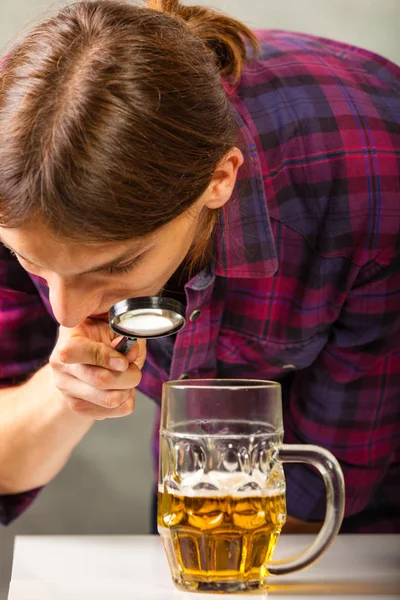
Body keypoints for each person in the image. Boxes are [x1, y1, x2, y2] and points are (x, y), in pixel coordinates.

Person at [0, 0, 399, 534]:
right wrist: (69, 388)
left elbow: (322, 490)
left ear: (219, 180)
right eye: (33, 263)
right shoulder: (17, 155)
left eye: (115, 264)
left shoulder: (370, 185)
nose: (65, 309)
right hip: (200, 481)